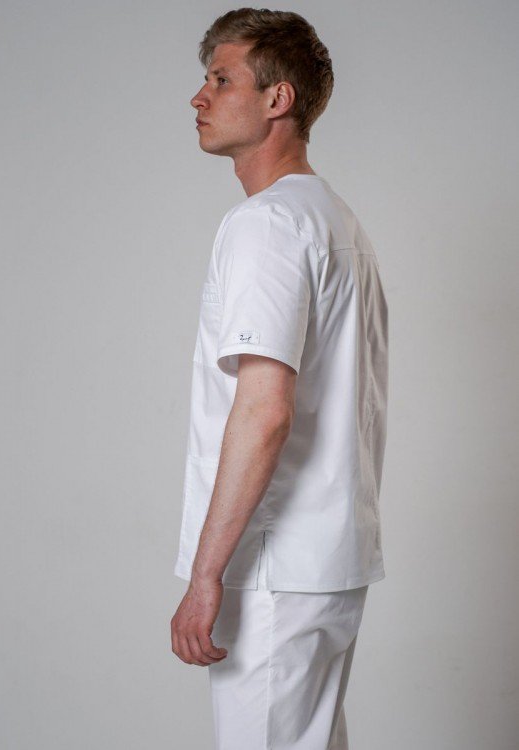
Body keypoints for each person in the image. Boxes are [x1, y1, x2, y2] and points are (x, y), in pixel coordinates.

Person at [170, 8, 389, 749]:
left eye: (220, 79)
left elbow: (264, 411)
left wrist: (206, 575)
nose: (199, 97)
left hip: (272, 566)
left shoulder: (265, 224)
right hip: (327, 558)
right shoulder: (335, 221)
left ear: (277, 98)